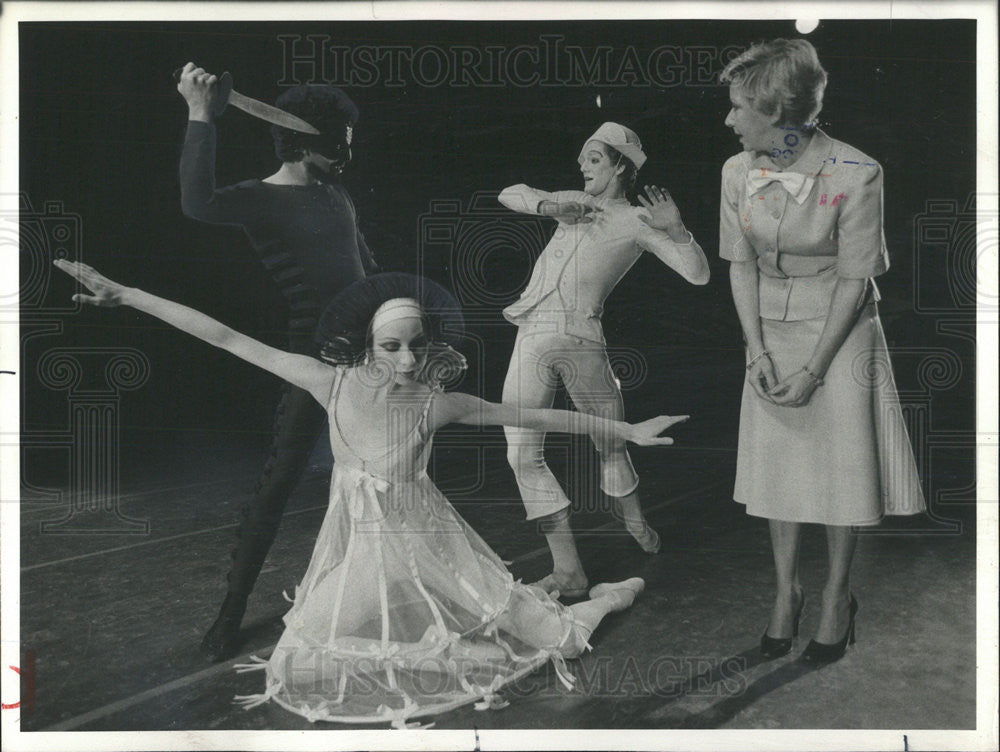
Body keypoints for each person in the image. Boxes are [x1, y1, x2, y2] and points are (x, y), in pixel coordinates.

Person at [54, 261, 687, 727]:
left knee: (544, 636)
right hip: (359, 551)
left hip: (431, 547)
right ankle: (500, 619)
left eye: (417, 346)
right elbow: (225, 338)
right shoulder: (328, 385)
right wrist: (129, 293)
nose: (408, 360)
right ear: (366, 344)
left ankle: (610, 596)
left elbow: (538, 418)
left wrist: (626, 428)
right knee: (302, 662)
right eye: (392, 347)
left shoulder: (438, 405)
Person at [718, 39, 926, 664]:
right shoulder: (736, 171)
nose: (729, 120)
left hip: (842, 332)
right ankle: (787, 593)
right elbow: (740, 265)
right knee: (781, 468)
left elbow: (854, 278)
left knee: (842, 470)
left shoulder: (855, 174)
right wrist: (755, 350)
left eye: (738, 108)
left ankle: (838, 596)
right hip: (770, 331)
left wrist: (814, 368)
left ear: (779, 110)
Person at [176, 63, 378, 660]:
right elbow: (197, 203)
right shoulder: (261, 199)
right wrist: (199, 113)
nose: (348, 153)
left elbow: (366, 266)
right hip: (309, 359)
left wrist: (402, 327)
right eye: (341, 140)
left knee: (393, 474)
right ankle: (232, 611)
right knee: (279, 481)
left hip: (371, 356)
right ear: (311, 140)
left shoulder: (335, 194)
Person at [497, 122, 710, 597]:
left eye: (593, 158)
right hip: (532, 333)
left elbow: (697, 275)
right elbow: (510, 193)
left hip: (582, 342)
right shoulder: (570, 201)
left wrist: (676, 230)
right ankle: (568, 569)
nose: (582, 165)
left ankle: (634, 522)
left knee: (611, 442)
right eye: (582, 158)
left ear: (620, 167)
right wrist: (551, 205)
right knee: (520, 453)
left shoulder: (637, 221)